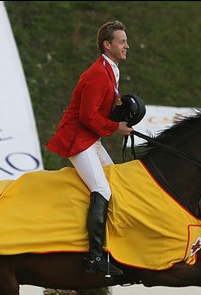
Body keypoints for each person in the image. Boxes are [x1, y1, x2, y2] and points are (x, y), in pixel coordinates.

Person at [47, 20, 132, 277]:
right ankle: (94, 258)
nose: (127, 45)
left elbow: (100, 109)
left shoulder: (110, 69)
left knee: (113, 181)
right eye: (122, 41)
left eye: (126, 41)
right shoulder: (97, 73)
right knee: (102, 188)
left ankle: (112, 249)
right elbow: (87, 116)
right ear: (107, 45)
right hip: (79, 138)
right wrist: (115, 127)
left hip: (90, 138)